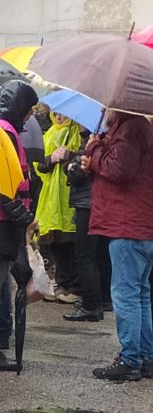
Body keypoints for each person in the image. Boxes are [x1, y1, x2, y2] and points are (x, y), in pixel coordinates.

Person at [84, 111, 153, 381]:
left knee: (126, 295)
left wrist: (96, 148)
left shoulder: (130, 129)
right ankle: (145, 356)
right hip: (139, 224)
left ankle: (130, 358)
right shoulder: (136, 128)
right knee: (140, 294)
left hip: (128, 224)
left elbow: (119, 169)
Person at [0, 80, 38, 371]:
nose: (29, 117)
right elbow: (5, 185)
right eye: (28, 111)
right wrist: (25, 217)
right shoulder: (6, 132)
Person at [34, 113, 84, 305]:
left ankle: (74, 287)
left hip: (69, 195)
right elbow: (38, 164)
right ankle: (61, 284)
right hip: (51, 197)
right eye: (56, 114)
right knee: (56, 241)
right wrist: (52, 158)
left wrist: (69, 156)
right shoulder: (49, 135)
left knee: (72, 242)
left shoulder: (76, 133)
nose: (59, 117)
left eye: (63, 114)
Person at [63, 135, 111, 322]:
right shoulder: (104, 146)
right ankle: (98, 299)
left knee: (84, 255)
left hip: (87, 204)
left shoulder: (97, 147)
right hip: (96, 204)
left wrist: (71, 166)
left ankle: (91, 304)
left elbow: (78, 174)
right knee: (96, 255)